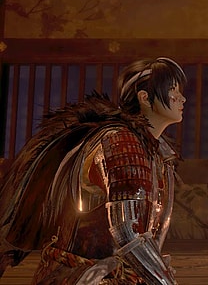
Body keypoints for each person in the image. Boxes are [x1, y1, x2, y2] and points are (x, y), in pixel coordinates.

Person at [0, 57, 187, 284]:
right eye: (172, 90)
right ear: (145, 97)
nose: (182, 98)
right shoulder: (122, 143)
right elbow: (126, 232)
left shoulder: (158, 153)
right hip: (84, 277)